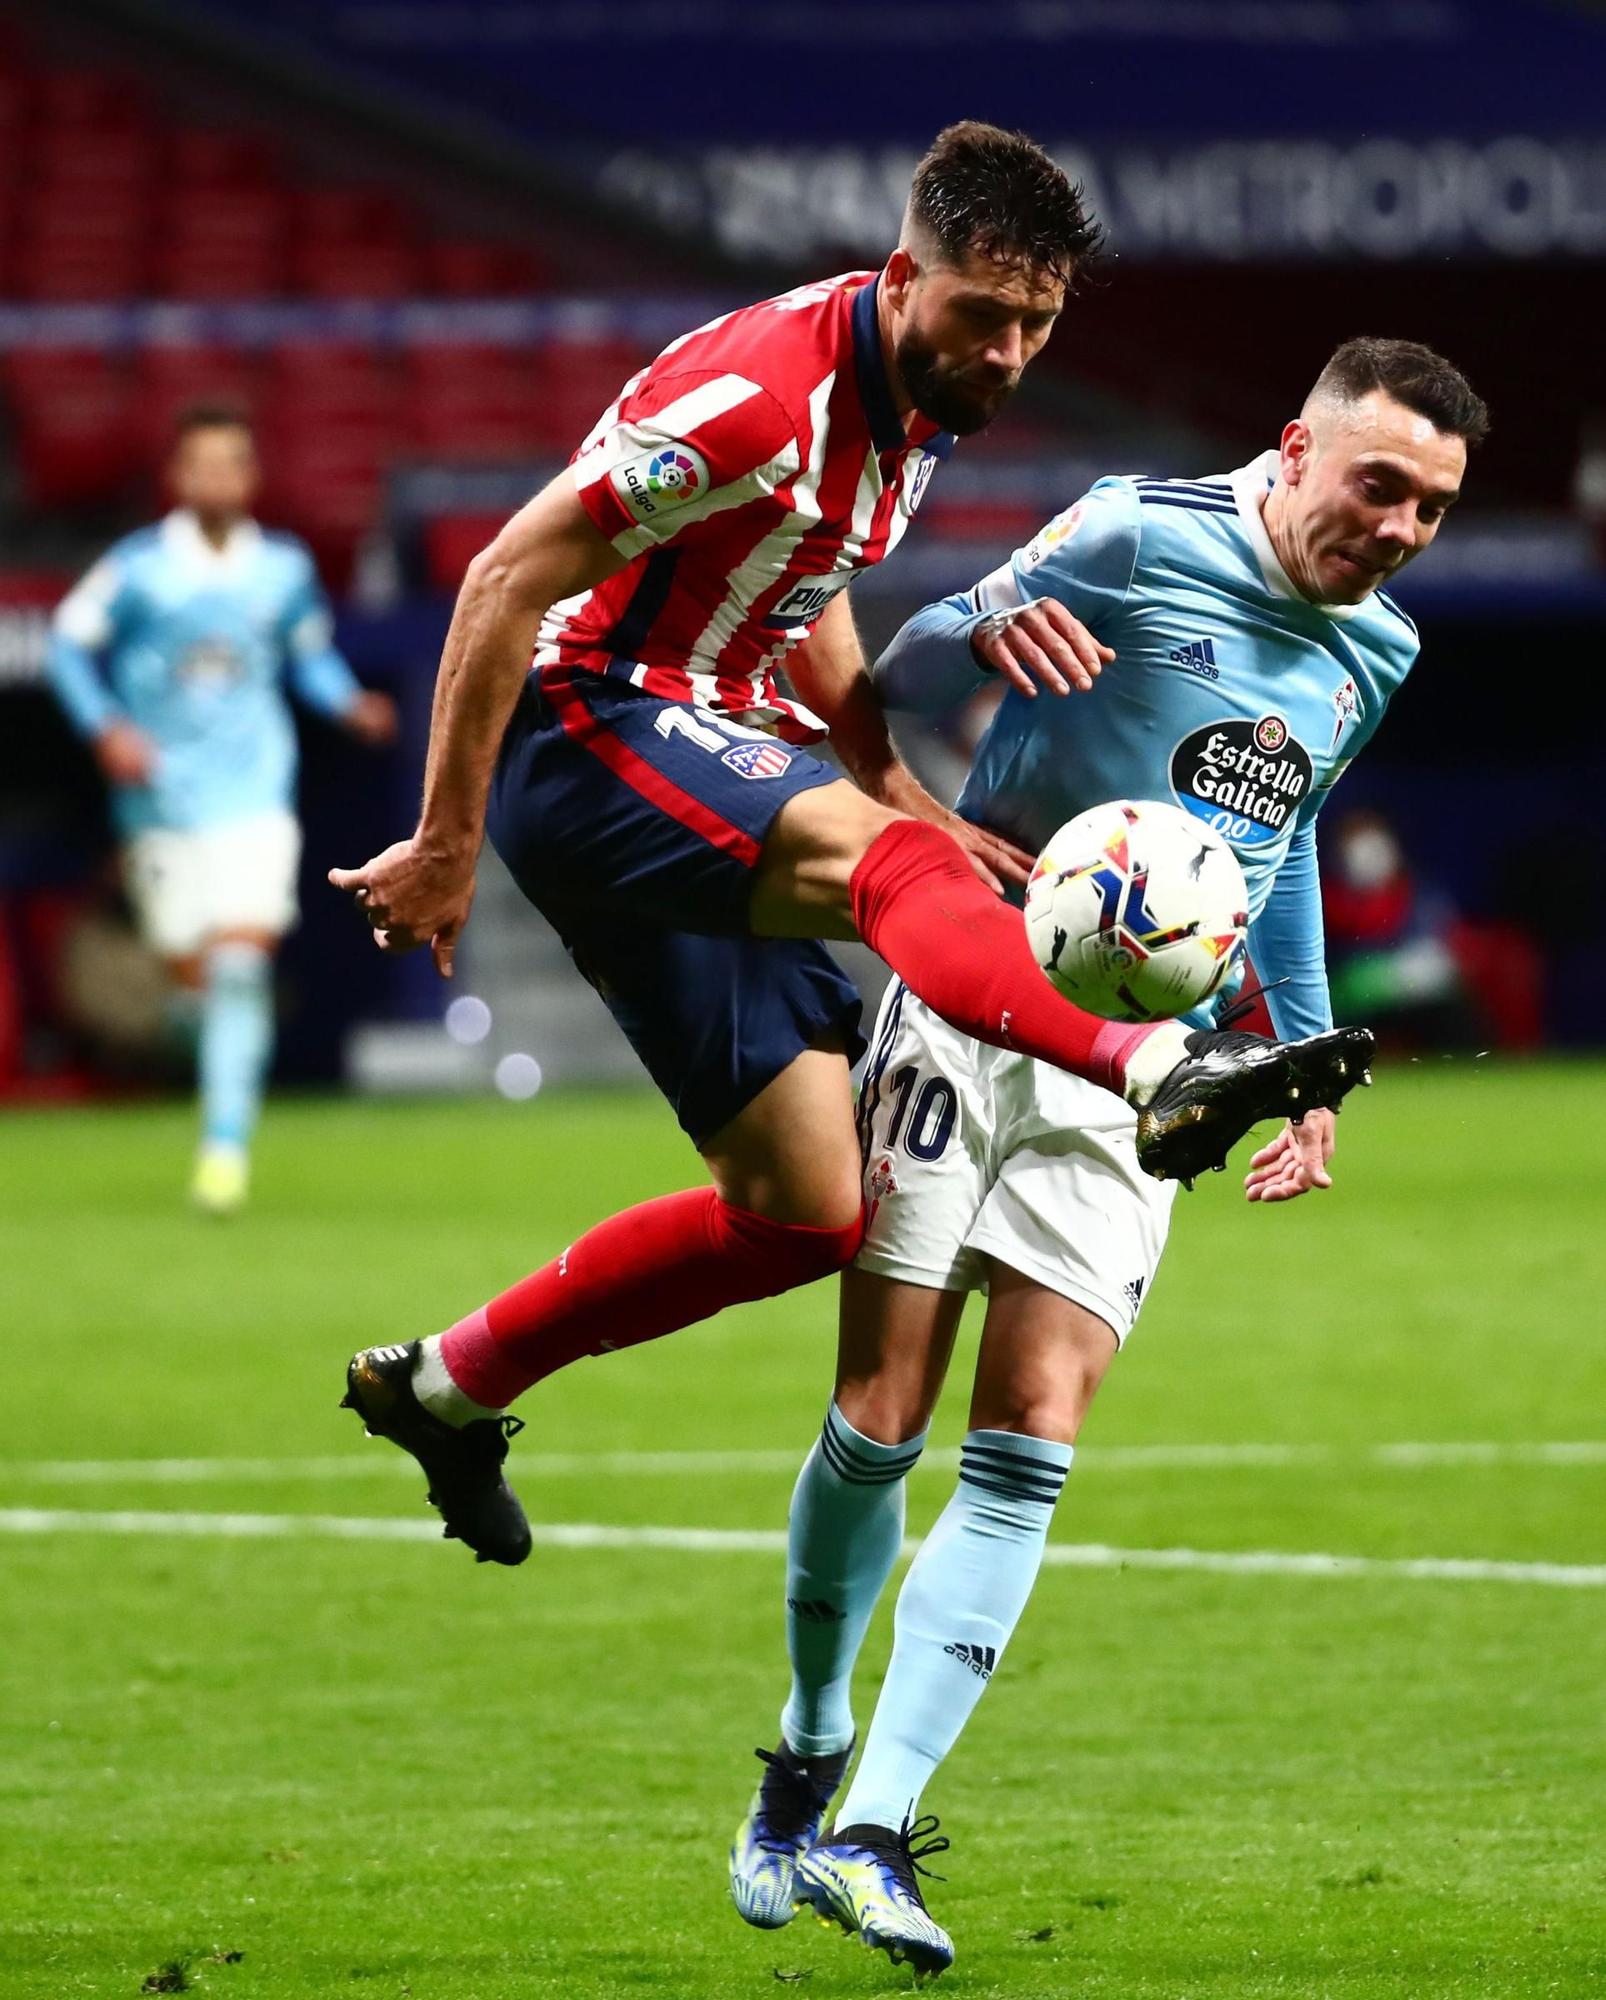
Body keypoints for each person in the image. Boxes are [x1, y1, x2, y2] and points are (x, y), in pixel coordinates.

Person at [331, 123, 1370, 1571]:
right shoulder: (761, 398)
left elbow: (804, 568)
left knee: (808, 1212)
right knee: (905, 880)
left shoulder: (915, 400)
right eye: (983, 316)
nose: (1009, 352)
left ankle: (443, 1387)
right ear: (901, 277)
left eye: (1036, 325)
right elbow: (505, 575)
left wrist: (889, 771)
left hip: (708, 742)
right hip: (602, 726)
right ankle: (1160, 1065)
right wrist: (445, 839)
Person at [728, 337, 1488, 1974]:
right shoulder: (1136, 530)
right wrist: (981, 623)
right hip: (973, 988)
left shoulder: (1383, 647)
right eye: (1381, 486)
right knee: (883, 1413)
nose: (1401, 527)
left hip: (1149, 1060)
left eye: (1431, 507)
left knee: (1038, 1427)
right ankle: (802, 1746)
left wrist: (1300, 1070)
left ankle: (873, 1829)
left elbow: (1274, 847)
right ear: (1297, 449)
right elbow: (903, 668)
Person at [46, 404, 397, 1213]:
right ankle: (201, 1054)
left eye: (231, 463)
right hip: (162, 802)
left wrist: (348, 706)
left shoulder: (282, 568)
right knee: (192, 982)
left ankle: (223, 1150)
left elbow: (308, 660)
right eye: (200, 464)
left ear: (251, 476)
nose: (216, 478)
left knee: (240, 970)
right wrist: (107, 728)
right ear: (177, 477)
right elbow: (67, 644)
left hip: (254, 797)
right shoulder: (137, 568)